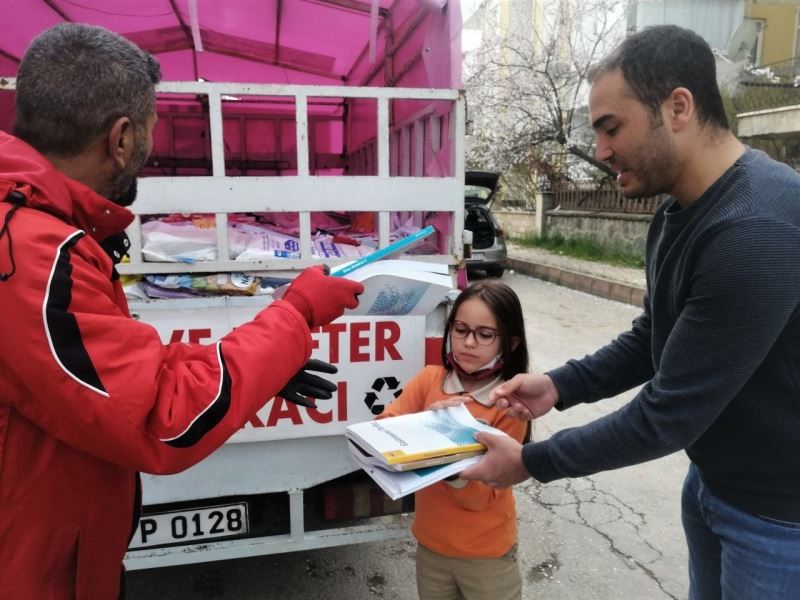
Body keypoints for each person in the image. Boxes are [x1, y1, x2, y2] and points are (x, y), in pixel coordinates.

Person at [0, 23, 364, 599]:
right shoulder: (37, 255)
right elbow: (160, 419)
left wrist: (267, 364)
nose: (147, 151)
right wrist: (296, 314)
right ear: (120, 138)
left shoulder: (32, 230)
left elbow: (112, 370)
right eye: (149, 134)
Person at [460, 24, 800, 600]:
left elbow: (667, 416)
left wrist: (531, 461)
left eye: (611, 128)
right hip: (715, 485)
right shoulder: (676, 212)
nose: (600, 151)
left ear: (678, 107)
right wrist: (559, 386)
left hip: (778, 519)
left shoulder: (755, 227)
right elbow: (654, 338)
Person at [378, 280, 530, 600]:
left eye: (485, 334)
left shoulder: (510, 405)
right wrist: (426, 424)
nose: (468, 343)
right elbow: (383, 433)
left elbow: (479, 498)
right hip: (431, 547)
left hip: (486, 555)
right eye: (460, 329)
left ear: (512, 343)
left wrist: (439, 443)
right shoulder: (429, 379)